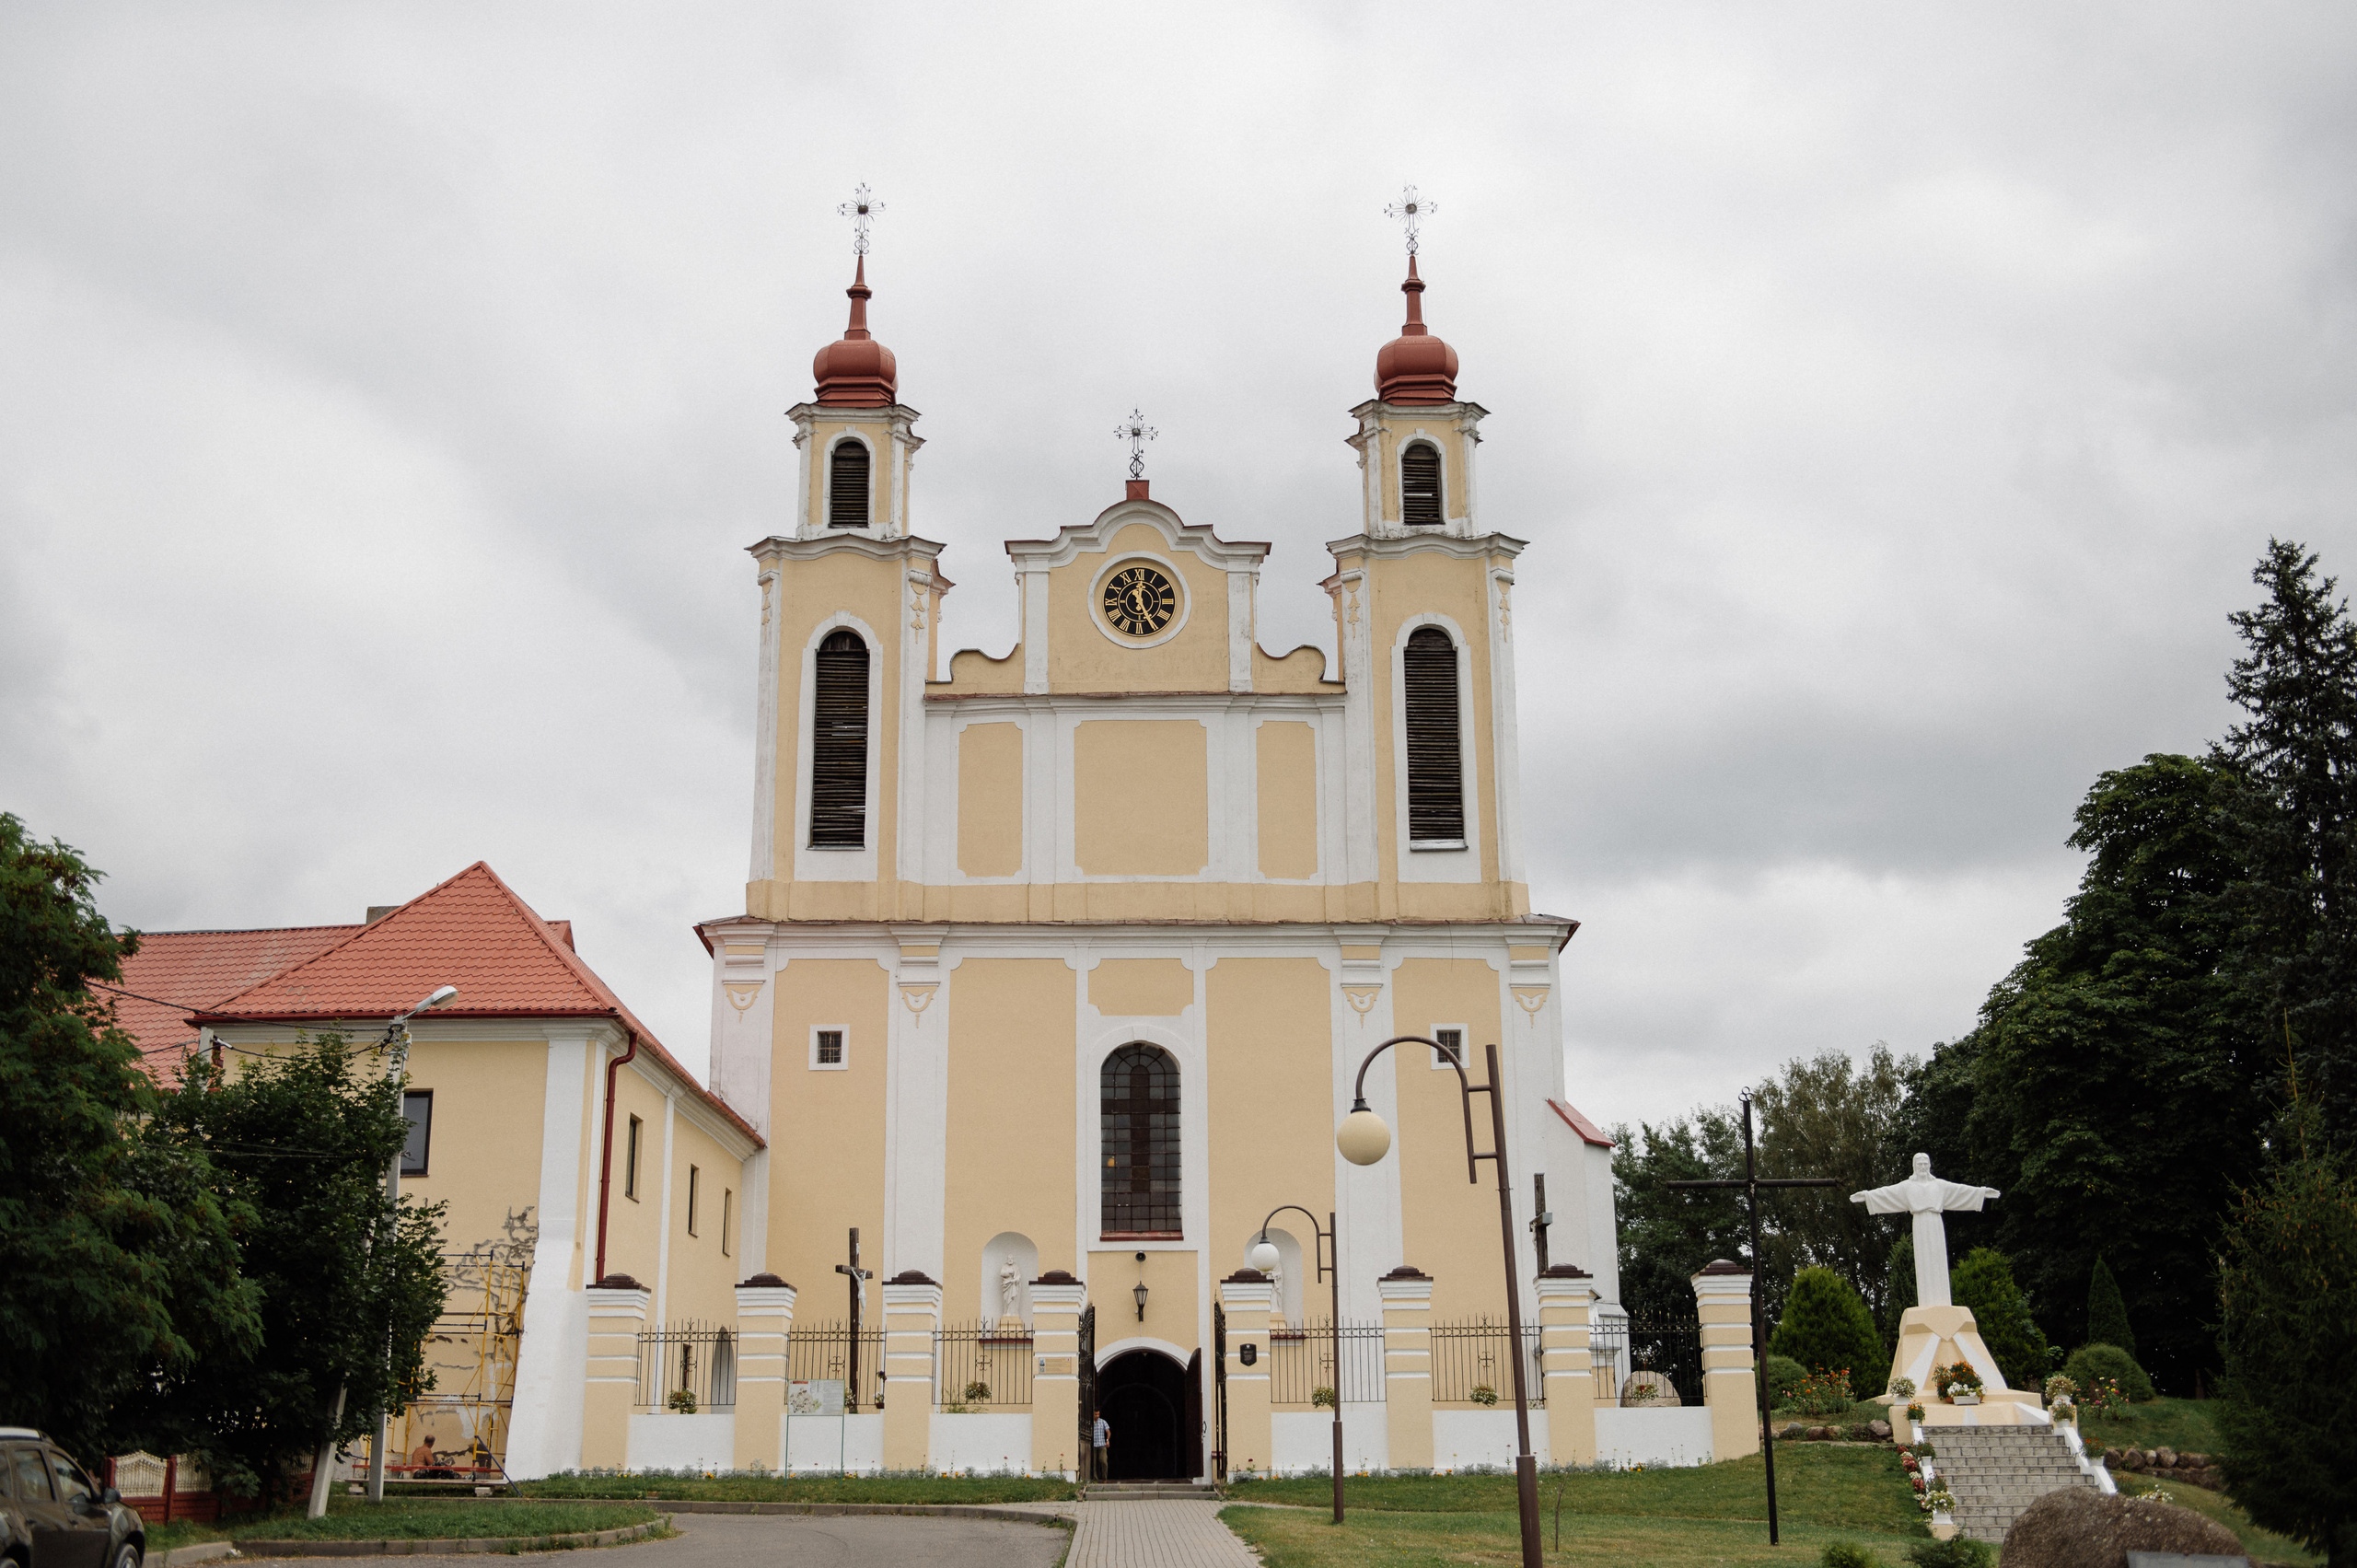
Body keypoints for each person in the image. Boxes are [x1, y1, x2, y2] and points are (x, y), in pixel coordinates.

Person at [1091, 1410, 1109, 1481]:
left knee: (1103, 1461)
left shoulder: (1102, 1422)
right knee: (1094, 1462)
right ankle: (1095, 1478)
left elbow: (1108, 1431)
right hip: (1093, 1445)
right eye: (1096, 1414)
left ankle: (1104, 1478)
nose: (1097, 1416)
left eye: (1098, 1414)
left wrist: (1107, 1440)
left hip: (1102, 1444)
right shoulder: (1090, 1422)